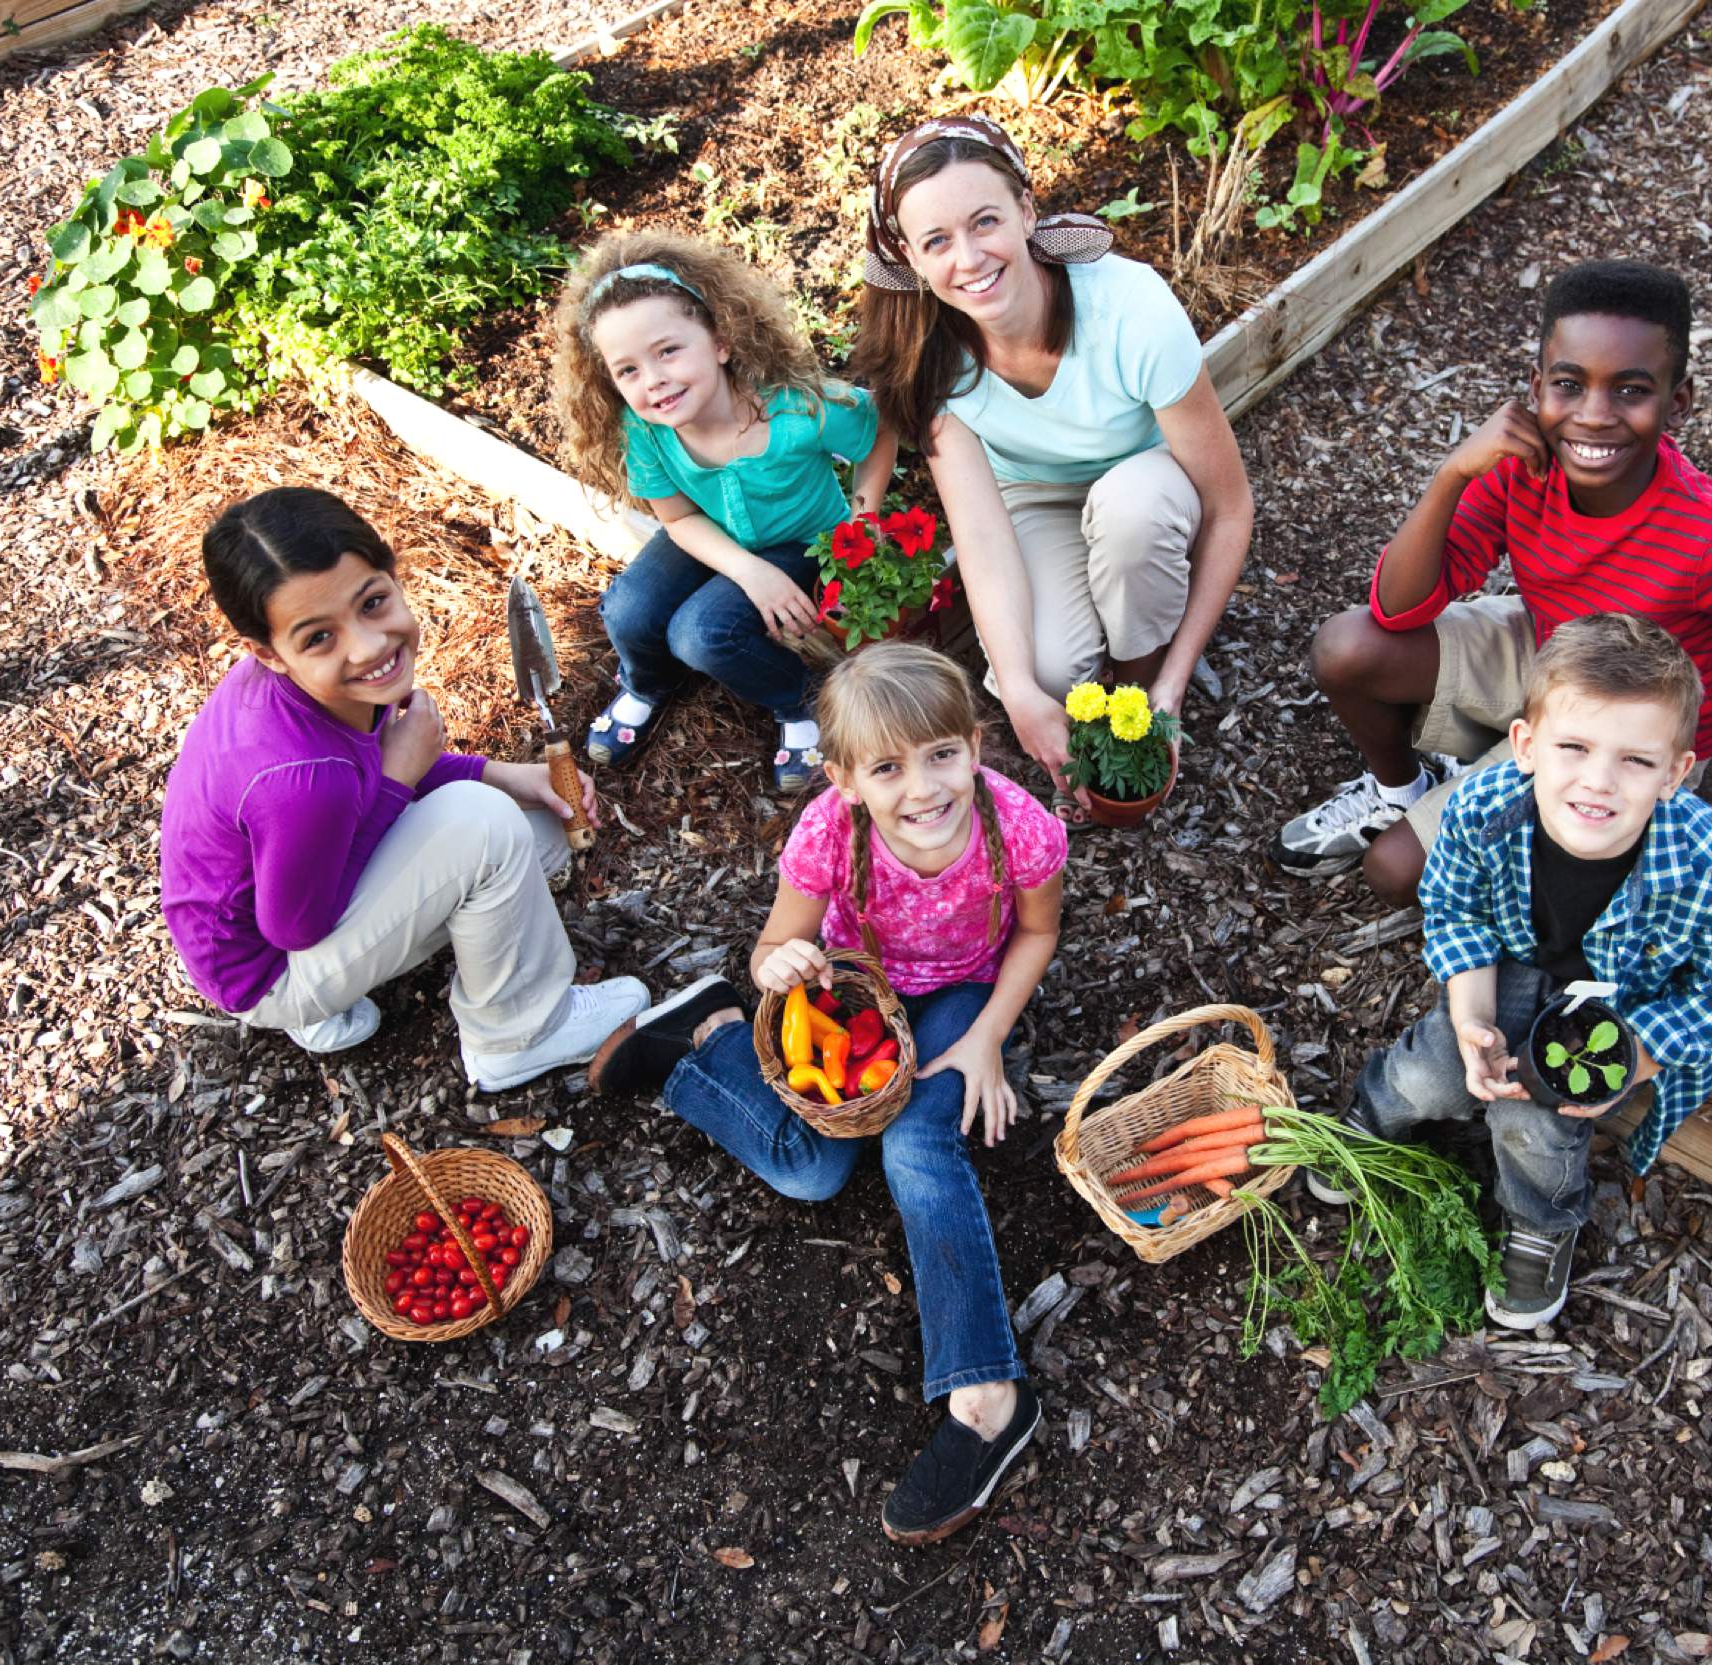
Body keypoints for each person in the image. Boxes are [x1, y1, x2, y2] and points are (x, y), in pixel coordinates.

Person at [1273, 259, 1712, 964]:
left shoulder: (1711, 541)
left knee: (1396, 873)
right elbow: (1397, 605)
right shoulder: (1519, 468)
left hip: (1632, 717)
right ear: (1535, 391)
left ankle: (1559, 872)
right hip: (1551, 650)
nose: (1594, 414)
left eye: (1630, 391)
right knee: (1347, 646)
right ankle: (1402, 790)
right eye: (1568, 385)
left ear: (1677, 402)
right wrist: (1453, 473)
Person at [586, 643, 1066, 1544]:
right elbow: (773, 953)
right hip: (851, 991)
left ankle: (987, 1398)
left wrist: (986, 1038)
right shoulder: (827, 834)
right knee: (812, 1171)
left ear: (975, 744)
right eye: (888, 768)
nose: (923, 789)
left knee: (918, 1142)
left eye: (941, 755)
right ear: (845, 779)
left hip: (963, 990)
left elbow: (1037, 933)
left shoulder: (1020, 826)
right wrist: (780, 967)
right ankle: (704, 1046)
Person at [1325, 614, 1712, 1329]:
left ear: (1676, 774)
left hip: (1618, 1008)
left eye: (1635, 760)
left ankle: (1540, 1220)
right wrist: (1472, 1016)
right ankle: (1375, 1112)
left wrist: (1629, 1059)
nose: (1598, 782)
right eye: (1574, 746)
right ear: (1527, 745)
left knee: (1536, 1121)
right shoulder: (1480, 807)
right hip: (1505, 970)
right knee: (1432, 1071)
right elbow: (1457, 913)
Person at [158, 487, 650, 1090]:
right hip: (270, 971)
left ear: (393, 575)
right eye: (319, 637)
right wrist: (402, 779)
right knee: (488, 828)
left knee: (538, 826)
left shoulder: (306, 691)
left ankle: (333, 1005)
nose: (367, 646)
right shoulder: (301, 782)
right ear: (269, 652)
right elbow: (297, 927)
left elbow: (373, 775)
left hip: (254, 920)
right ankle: (520, 1035)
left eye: (372, 603)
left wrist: (503, 775)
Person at [851, 114, 1253, 789]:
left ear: (1027, 211)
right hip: (1035, 500)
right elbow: (980, 534)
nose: (969, 259)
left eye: (985, 222)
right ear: (912, 260)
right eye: (937, 241)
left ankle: (1141, 676)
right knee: (1045, 675)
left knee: (1132, 517)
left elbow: (1231, 505)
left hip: (1147, 484)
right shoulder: (926, 356)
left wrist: (1173, 681)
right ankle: (1104, 651)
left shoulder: (1131, 311)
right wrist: (1017, 690)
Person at [551, 230, 896, 792]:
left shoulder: (793, 409)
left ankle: (799, 702)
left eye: (668, 351)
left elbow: (878, 430)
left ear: (720, 341)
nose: (654, 380)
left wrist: (864, 518)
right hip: (710, 533)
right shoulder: (644, 430)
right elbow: (679, 519)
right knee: (627, 609)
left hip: (801, 539)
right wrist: (747, 570)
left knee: (705, 634)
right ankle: (647, 683)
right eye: (628, 370)